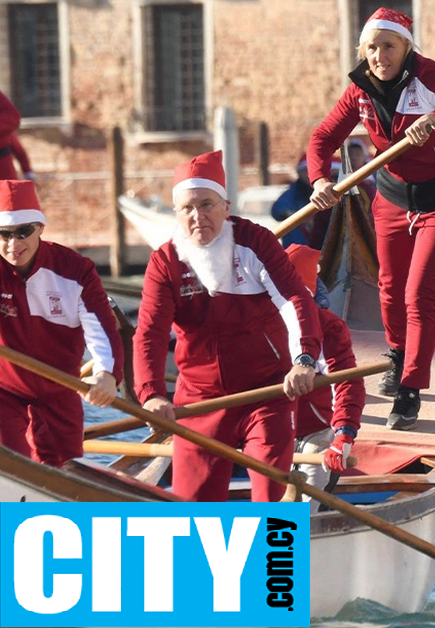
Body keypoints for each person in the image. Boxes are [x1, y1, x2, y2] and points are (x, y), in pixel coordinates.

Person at [308, 8, 435, 430]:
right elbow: (323, 138)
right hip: (391, 199)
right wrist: (318, 180)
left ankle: (409, 391)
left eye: (388, 46)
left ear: (406, 47)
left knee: (419, 295)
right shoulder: (360, 90)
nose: (379, 55)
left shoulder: (428, 76)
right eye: (372, 47)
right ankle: (398, 351)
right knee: (388, 288)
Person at [135, 152, 322, 502]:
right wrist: (152, 394)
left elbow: (294, 301)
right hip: (199, 400)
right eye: (187, 209)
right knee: (194, 508)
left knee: (271, 495)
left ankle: (278, 552)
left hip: (267, 392)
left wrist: (305, 359)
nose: (197, 216)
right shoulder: (165, 261)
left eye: (206, 205)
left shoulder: (256, 242)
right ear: (176, 214)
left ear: (226, 205)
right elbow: (150, 333)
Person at [0, 180, 123, 467]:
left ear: (41, 228)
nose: (13, 244)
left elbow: (102, 329)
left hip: (60, 387)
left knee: (65, 468)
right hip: (4, 388)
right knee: (13, 463)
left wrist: (106, 374)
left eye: (23, 232)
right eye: (3, 234)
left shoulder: (76, 270)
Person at [284, 244, 364, 499]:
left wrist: (343, 436)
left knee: (305, 500)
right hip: (264, 432)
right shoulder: (254, 321)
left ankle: (296, 531)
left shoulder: (328, 327)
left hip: (315, 434)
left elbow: (347, 383)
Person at [272, 156, 339, 248]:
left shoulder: (328, 191)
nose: (308, 174)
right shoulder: (293, 192)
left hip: (322, 247)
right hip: (296, 247)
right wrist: (292, 215)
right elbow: (277, 210)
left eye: (310, 170)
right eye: (305, 170)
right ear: (299, 172)